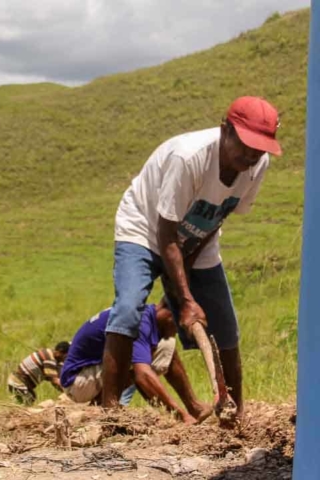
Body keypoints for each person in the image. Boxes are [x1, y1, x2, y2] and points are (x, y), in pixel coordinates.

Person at [101, 96, 282, 420]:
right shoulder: (189, 157)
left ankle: (234, 415)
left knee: (225, 326)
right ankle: (110, 413)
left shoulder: (257, 165)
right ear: (225, 129)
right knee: (128, 310)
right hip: (145, 228)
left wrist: (190, 262)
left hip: (197, 236)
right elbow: (165, 232)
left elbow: (218, 216)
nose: (251, 155)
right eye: (245, 145)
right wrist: (183, 299)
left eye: (260, 148)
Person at [61, 302, 212, 424]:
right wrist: (181, 416)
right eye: (179, 325)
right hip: (77, 382)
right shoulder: (138, 322)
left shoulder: (144, 315)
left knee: (167, 347)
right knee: (137, 361)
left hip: (88, 375)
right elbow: (143, 376)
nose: (179, 331)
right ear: (170, 315)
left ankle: (194, 407)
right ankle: (105, 408)